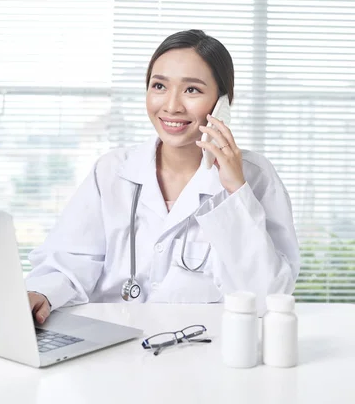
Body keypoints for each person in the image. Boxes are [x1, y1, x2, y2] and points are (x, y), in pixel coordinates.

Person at [26, 29, 300, 324]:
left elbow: (268, 296)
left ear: (222, 102)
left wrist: (235, 192)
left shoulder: (255, 176)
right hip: (112, 345)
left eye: (191, 90)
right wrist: (42, 293)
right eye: (159, 86)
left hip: (204, 350)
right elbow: (70, 260)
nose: (171, 105)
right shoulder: (111, 171)